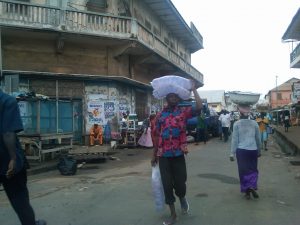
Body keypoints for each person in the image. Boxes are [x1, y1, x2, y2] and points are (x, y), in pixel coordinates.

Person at [151, 81, 202, 225]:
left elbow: (199, 107)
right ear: (167, 99)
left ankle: (182, 197)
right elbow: (156, 135)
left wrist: (193, 90)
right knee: (167, 185)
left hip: (178, 154)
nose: (173, 98)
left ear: (178, 99)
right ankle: (173, 214)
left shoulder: (183, 113)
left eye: (175, 97)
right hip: (164, 156)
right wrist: (154, 155)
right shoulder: (160, 116)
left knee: (180, 184)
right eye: (171, 96)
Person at [0, 88, 47, 225]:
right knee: (20, 200)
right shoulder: (7, 101)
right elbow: (8, 133)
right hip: (6, 159)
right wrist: (13, 158)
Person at [230, 105, 261, 200]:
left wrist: (232, 153)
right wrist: (259, 150)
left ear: (239, 113)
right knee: (252, 169)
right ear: (249, 114)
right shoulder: (254, 123)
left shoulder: (236, 124)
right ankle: (251, 186)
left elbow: (234, 140)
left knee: (243, 171)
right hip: (252, 150)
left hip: (241, 151)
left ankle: (247, 191)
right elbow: (258, 139)